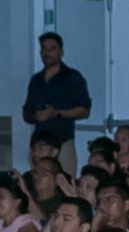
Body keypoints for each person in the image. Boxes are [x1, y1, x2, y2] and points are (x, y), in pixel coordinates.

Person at [22, 31, 91, 175]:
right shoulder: (36, 80)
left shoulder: (73, 77)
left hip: (62, 141)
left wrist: (56, 113)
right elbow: (26, 112)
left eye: (52, 48)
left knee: (66, 185)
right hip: (39, 145)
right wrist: (36, 116)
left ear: (61, 52)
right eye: (44, 49)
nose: (47, 53)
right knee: (39, 185)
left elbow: (84, 110)